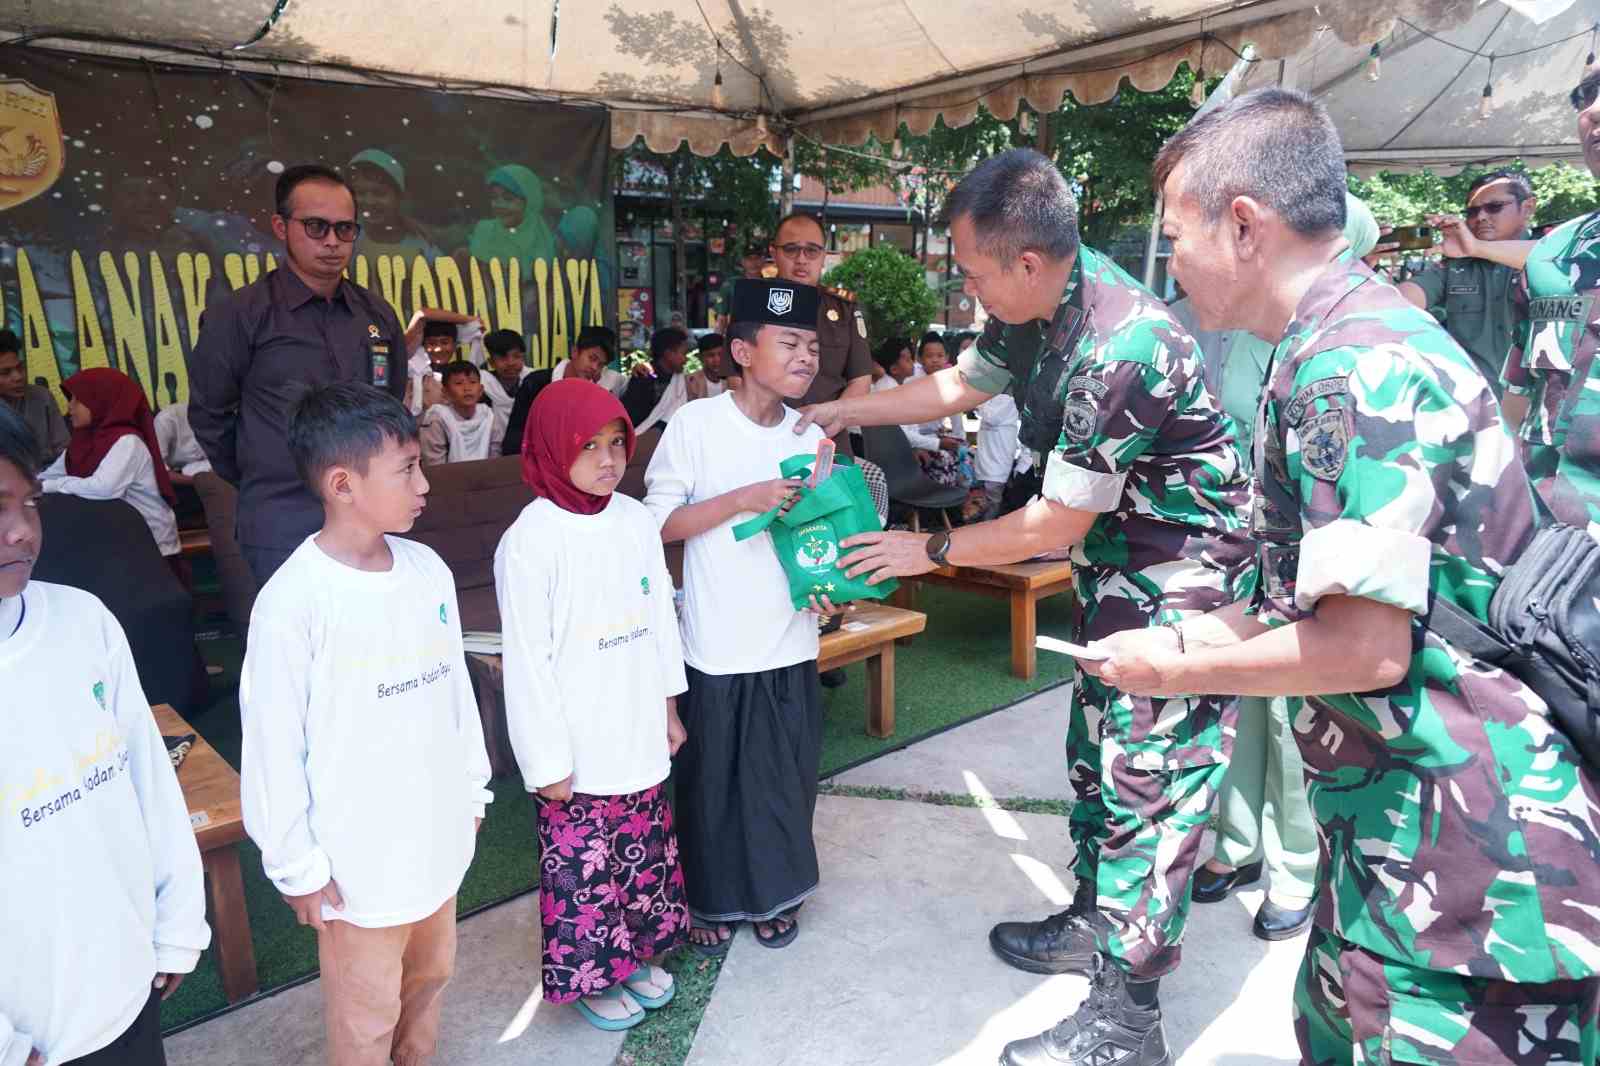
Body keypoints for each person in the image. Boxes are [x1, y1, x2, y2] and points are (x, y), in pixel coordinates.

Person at [1083, 87, 1600, 1066]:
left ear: (1244, 226)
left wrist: (1175, 670)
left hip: (1469, 875)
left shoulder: (1353, 366)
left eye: (1176, 235)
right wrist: (1181, 637)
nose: (1170, 262)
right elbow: (1316, 599)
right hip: (1395, 839)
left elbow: (1365, 648)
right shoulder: (1326, 343)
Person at [799, 148, 1253, 1066]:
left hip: (1182, 583)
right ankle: (1094, 921)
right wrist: (847, 413)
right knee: (1096, 759)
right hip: (1117, 569)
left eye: (973, 274)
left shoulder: (1120, 348)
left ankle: (1128, 1024)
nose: (967, 292)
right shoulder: (1036, 308)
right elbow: (963, 385)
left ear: (1028, 263)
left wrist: (927, 550)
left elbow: (1051, 523)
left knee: (1149, 788)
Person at [240, 382, 491, 1066]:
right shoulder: (293, 602)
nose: (424, 485)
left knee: (430, 980)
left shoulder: (427, 570)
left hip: (435, 835)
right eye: (406, 469)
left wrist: (473, 790)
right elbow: (272, 746)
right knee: (364, 1016)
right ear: (343, 484)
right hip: (357, 864)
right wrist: (296, 865)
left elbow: (455, 693)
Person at [1162, 192, 1377, 945]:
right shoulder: (1254, 334)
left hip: (1312, 560)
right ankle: (1237, 843)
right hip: (1246, 542)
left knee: (1292, 715)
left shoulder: (1340, 350)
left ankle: (1294, 868)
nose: (1177, 258)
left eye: (1182, 236)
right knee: (1241, 700)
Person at [0, 404, 212, 1066]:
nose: (20, 531)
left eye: (29, 503)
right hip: (31, 1037)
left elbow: (149, 781)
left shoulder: (82, 621)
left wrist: (178, 923)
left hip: (127, 986)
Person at [644, 278, 840, 955]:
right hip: (717, 644)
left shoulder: (811, 435)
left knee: (782, 780)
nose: (806, 357)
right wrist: (743, 498)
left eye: (812, 346)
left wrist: (831, 590)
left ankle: (775, 894)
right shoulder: (696, 426)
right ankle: (710, 897)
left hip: (790, 639)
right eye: (789, 343)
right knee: (712, 787)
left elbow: (823, 539)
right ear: (742, 351)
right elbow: (657, 526)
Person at [494, 379, 689, 1032]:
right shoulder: (530, 540)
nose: (609, 460)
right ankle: (595, 979)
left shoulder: (633, 519)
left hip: (636, 721)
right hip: (576, 742)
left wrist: (669, 708)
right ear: (553, 448)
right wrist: (546, 761)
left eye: (617, 443)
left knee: (640, 852)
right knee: (586, 872)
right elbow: (527, 663)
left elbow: (660, 619)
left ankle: (633, 960)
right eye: (589, 446)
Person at [188, 163, 409, 585]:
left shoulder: (376, 315)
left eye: (345, 229)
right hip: (283, 519)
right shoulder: (240, 314)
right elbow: (209, 415)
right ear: (280, 226)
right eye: (316, 226)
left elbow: (390, 401)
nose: (332, 241)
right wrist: (268, 471)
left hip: (369, 516)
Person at [1503, 70, 1600, 532]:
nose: (1593, 110)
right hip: (1547, 537)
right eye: (1586, 95)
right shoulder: (1552, 256)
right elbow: (1519, 396)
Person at [774, 213, 891, 519]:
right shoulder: (752, 304)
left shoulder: (843, 308)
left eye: (812, 250)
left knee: (832, 532)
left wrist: (829, 422)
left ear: (824, 255)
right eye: (791, 249)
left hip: (829, 443)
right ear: (774, 252)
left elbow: (861, 379)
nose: (802, 259)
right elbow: (737, 380)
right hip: (766, 442)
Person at [1399, 170, 1537, 405]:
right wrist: (1362, 263)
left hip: (1542, 407)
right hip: (1479, 407)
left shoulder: (1554, 251)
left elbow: (1552, 258)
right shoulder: (1456, 266)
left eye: (1494, 207)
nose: (1481, 217)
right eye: (1472, 211)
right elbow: (1397, 303)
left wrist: (1476, 248)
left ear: (1528, 207)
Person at [41, 368, 182, 580]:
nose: (69, 407)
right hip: (115, 541)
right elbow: (49, 476)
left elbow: (103, 489)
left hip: (150, 547)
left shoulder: (127, 442)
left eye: (78, 400)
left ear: (100, 401)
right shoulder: (83, 441)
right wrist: (28, 486)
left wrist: (50, 486)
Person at [501, 326, 626, 457]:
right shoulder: (536, 383)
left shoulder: (599, 392)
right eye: (592, 358)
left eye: (601, 365)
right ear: (575, 351)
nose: (595, 368)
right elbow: (513, 439)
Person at [467, 165, 556, 278]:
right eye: (494, 197)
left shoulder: (541, 238)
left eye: (508, 198)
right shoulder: (486, 232)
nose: (499, 205)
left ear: (529, 201)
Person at [0, 330, 67, 467]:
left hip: (47, 474)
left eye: (20, 368)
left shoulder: (42, 397)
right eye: (5, 372)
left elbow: (64, 451)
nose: (18, 377)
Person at [419, 361, 493, 465]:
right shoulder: (436, 419)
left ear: (480, 390)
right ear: (445, 392)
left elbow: (496, 457)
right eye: (459, 383)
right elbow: (434, 465)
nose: (467, 388)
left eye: (472, 382)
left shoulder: (488, 415)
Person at [623, 327, 691, 432]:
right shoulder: (642, 378)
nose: (686, 359)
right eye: (683, 353)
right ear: (668, 354)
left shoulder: (680, 380)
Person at [479, 328, 532, 455]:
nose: (511, 363)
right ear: (491, 362)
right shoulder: (481, 384)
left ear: (523, 357)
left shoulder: (533, 380)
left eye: (516, 356)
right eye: (503, 358)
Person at [153, 403, 212, 481]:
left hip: (202, 471)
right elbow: (160, 472)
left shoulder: (221, 419)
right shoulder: (166, 419)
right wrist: (199, 482)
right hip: (175, 479)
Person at [684, 333, 729, 401]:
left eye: (720, 354)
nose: (716, 360)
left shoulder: (732, 380)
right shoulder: (691, 381)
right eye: (711, 355)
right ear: (701, 357)